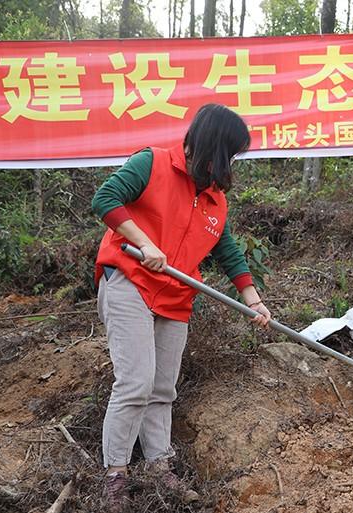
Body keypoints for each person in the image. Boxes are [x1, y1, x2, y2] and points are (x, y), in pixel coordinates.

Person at [91, 104, 271, 512]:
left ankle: (159, 468)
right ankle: (115, 476)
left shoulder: (214, 198)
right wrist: (145, 241)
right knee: (135, 382)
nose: (233, 163)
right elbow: (105, 198)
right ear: (216, 145)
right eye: (233, 153)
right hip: (130, 281)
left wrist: (253, 299)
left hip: (175, 296)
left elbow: (226, 250)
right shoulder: (151, 163)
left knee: (161, 390)